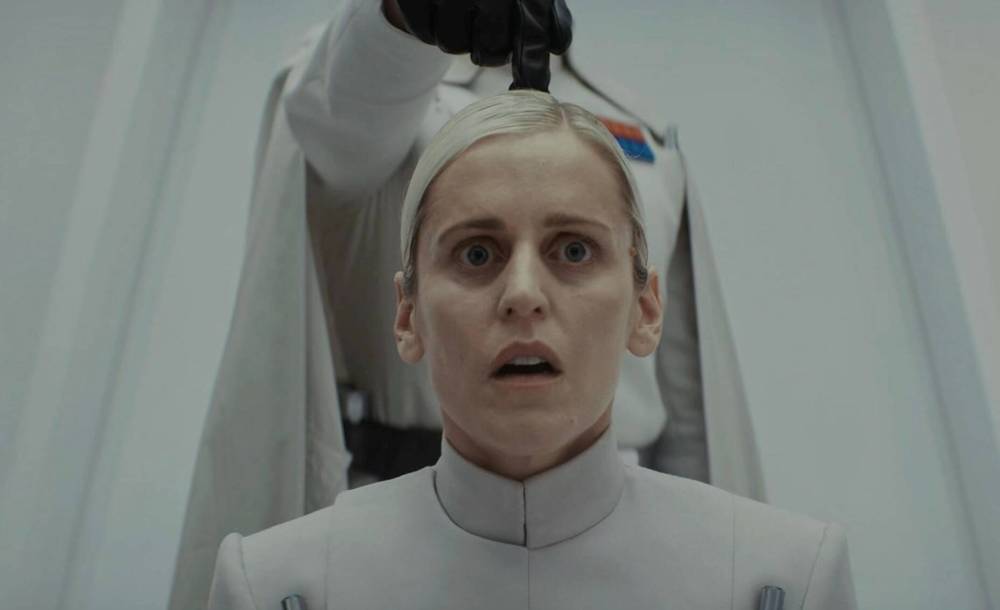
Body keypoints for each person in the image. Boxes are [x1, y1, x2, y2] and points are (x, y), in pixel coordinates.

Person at [170, 2, 765, 609]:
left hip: (629, 543)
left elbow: (685, 386)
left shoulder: (643, 132)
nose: (524, 295)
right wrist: (401, 16)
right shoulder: (379, 76)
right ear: (407, 313)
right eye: (477, 254)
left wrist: (716, 556)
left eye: (574, 250)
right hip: (400, 542)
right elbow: (334, 117)